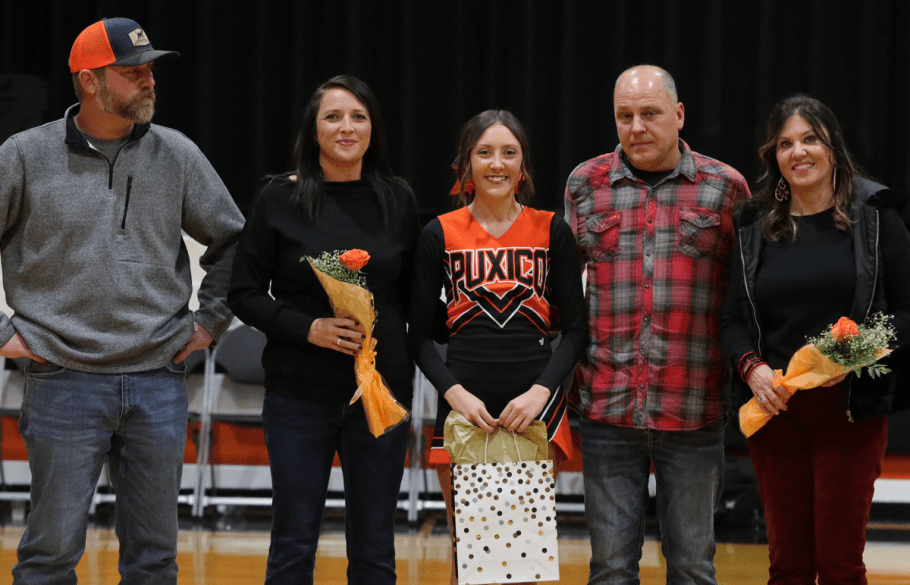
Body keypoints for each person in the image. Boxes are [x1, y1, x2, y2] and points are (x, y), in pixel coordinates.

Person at [0, 17, 244, 584]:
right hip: (63, 379)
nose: (149, 80)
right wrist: (4, 334)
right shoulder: (23, 156)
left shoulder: (177, 154)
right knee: (50, 555)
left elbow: (237, 242)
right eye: (133, 72)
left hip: (158, 379)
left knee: (155, 558)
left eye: (151, 69)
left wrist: (208, 322)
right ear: (89, 82)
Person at [228, 75, 420, 585]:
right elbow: (243, 294)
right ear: (313, 132)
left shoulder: (398, 201)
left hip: (379, 396)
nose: (346, 127)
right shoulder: (278, 198)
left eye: (358, 116)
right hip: (298, 394)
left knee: (376, 544)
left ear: (372, 129)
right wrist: (307, 327)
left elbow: (411, 300)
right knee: (293, 541)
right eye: (333, 117)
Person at [564, 65, 751, 585]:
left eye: (649, 113)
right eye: (625, 116)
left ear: (679, 115)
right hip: (606, 406)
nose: (637, 126)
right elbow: (564, 293)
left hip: (692, 408)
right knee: (609, 569)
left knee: (692, 567)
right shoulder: (584, 184)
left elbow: (746, 297)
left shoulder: (726, 188)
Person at [720, 94, 910, 584]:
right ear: (774, 156)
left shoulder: (874, 212)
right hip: (775, 411)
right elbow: (733, 320)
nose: (798, 152)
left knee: (840, 563)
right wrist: (752, 368)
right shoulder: (752, 224)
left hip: (849, 412)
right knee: (787, 565)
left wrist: (846, 359)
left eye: (810, 139)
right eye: (785, 143)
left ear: (832, 147)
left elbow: (907, 311)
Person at [409, 109, 588, 585]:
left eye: (509, 152)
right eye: (484, 152)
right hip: (466, 416)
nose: (497, 163)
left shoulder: (552, 230)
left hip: (535, 416)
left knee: (523, 557)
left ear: (523, 165)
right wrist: (455, 394)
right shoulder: (438, 234)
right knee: (465, 552)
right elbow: (419, 337)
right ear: (465, 165)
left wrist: (541, 394)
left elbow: (576, 331)